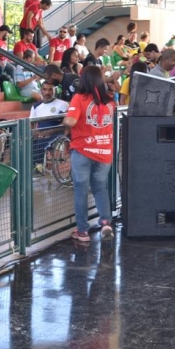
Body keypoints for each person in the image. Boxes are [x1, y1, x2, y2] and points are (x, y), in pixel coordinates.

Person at [62, 66, 115, 242]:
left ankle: (83, 231)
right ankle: (106, 222)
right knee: (100, 188)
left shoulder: (79, 98)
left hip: (83, 151)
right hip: (104, 151)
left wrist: (66, 124)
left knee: (81, 191)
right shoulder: (109, 101)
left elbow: (71, 120)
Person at [29, 81, 69, 171]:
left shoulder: (63, 104)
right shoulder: (36, 106)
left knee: (41, 142)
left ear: (55, 91)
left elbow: (65, 124)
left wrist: (51, 131)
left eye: (50, 90)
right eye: (45, 89)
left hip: (57, 133)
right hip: (40, 132)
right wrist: (34, 132)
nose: (47, 92)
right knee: (26, 141)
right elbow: (31, 123)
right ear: (41, 91)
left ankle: (38, 168)